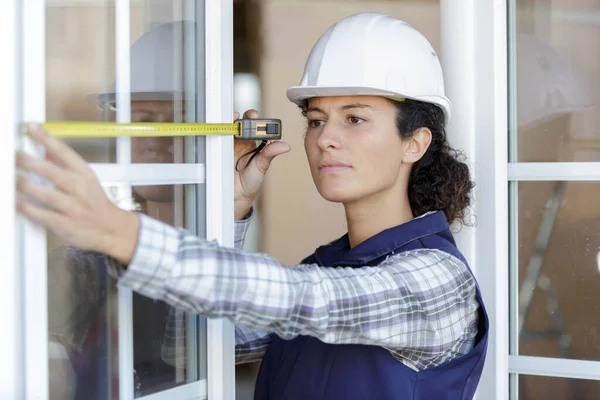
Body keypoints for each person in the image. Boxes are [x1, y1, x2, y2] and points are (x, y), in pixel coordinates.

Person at [16, 12, 489, 400]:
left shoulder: (436, 281)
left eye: (356, 118)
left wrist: (120, 232)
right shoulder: (332, 265)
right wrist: (232, 210)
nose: (326, 138)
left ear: (415, 143)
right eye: (317, 119)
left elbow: (301, 298)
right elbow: (190, 345)